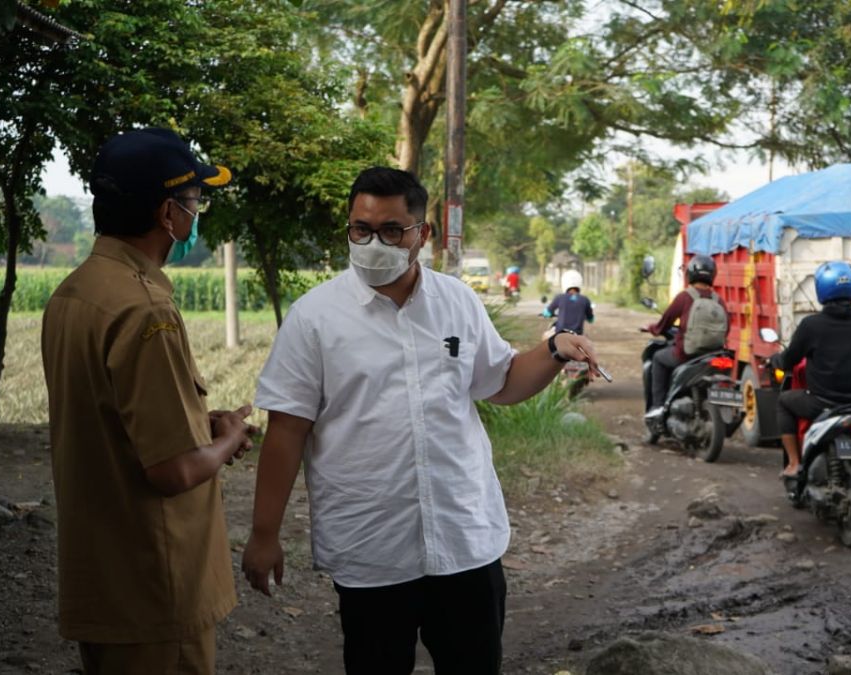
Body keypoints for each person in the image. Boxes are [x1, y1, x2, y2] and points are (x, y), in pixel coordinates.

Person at [241, 167, 604, 675]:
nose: (373, 243)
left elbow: (500, 383)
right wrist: (264, 534)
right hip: (371, 546)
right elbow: (286, 431)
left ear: (422, 234)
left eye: (392, 231)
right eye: (360, 229)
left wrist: (553, 350)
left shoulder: (456, 302)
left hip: (464, 539)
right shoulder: (314, 318)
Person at [41, 128, 255, 675]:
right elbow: (174, 469)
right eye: (194, 202)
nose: (196, 214)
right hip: (155, 582)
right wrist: (227, 437)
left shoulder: (78, 291)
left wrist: (192, 421)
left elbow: (112, 419)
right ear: (168, 214)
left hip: (104, 572)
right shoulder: (145, 312)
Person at [771, 260, 851, 477]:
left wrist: (777, 361)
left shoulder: (811, 325)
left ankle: (794, 463)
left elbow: (789, 360)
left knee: (784, 402)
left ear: (822, 288)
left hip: (822, 403)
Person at [644, 255, 729, 419]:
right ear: (712, 275)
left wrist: (654, 329)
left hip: (686, 354)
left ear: (689, 273)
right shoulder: (719, 300)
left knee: (658, 358)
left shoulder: (685, 297)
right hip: (714, 355)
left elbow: (666, 321)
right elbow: (727, 328)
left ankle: (658, 406)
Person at [542, 269, 594, 337]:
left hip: (560, 334)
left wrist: (546, 313)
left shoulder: (559, 298)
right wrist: (589, 318)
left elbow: (547, 313)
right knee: (587, 340)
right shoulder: (585, 299)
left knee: (545, 335)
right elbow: (591, 319)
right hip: (577, 335)